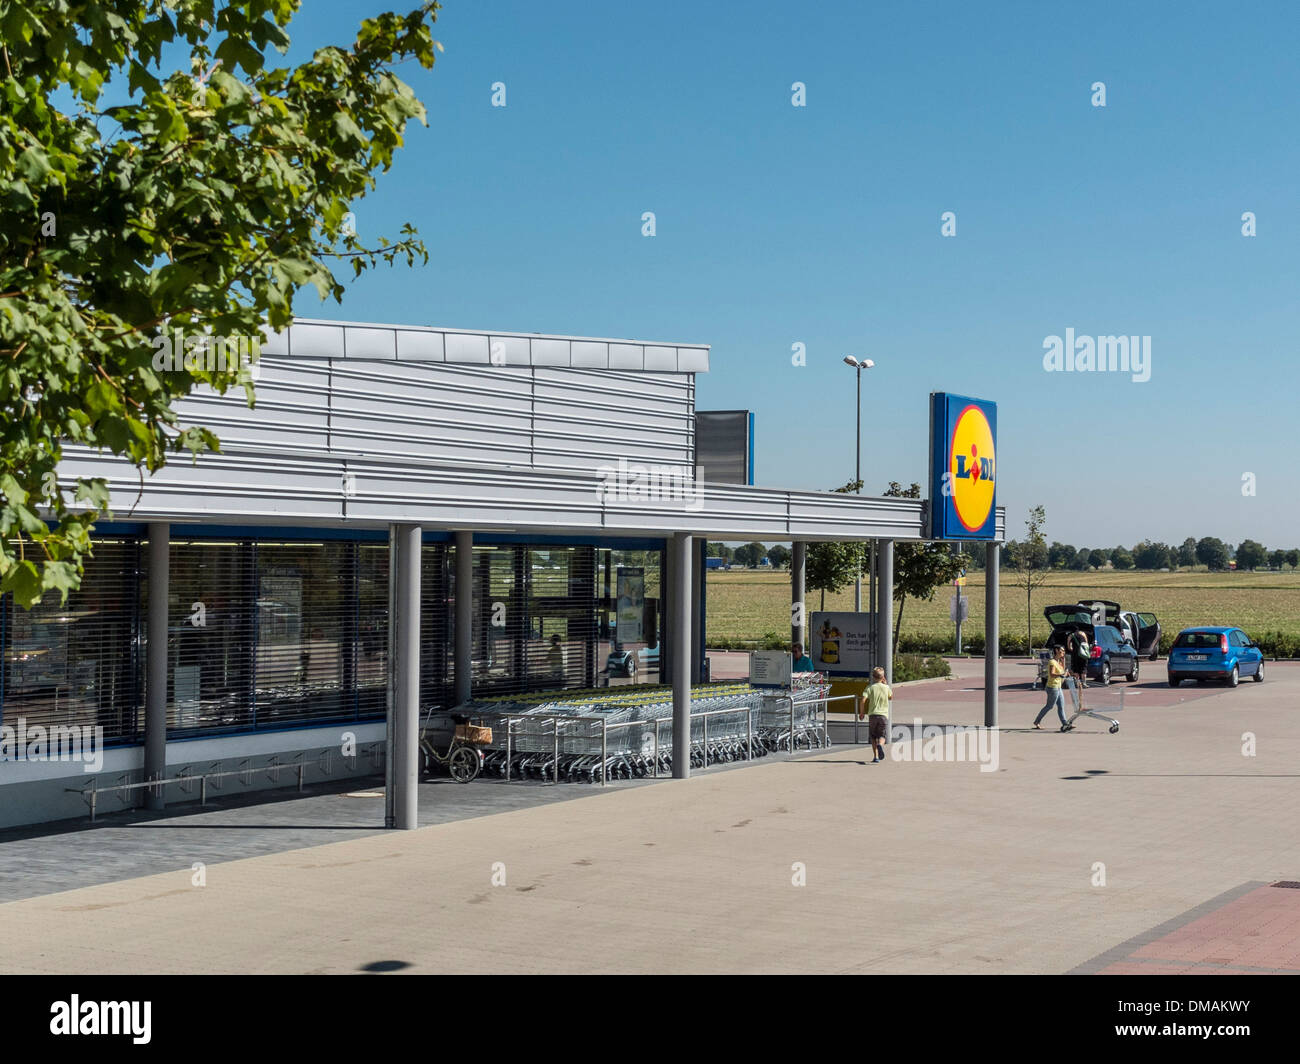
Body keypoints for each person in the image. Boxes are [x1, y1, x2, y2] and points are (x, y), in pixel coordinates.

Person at [1034, 646, 1070, 730]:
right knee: (1049, 706)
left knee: (1061, 706)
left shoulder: (1058, 662)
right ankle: (1037, 721)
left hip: (1058, 687)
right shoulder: (1052, 662)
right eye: (1062, 651)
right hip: (1052, 687)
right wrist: (1061, 675)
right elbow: (1052, 673)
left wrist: (1064, 665)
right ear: (1057, 650)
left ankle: (1065, 724)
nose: (1063, 652)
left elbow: (1063, 672)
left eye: (1064, 651)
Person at [864, 666, 892, 764]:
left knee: (873, 736)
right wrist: (886, 684)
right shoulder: (886, 687)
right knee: (882, 736)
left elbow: (863, 700)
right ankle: (880, 744)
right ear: (883, 677)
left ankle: (876, 756)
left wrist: (862, 712)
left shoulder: (869, 687)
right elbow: (891, 697)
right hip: (883, 716)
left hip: (872, 715)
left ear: (873, 677)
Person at [1067, 629, 1090, 710]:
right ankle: (1084, 682)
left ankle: (1078, 683)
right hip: (1083, 654)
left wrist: (1073, 649)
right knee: (1083, 668)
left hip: (1075, 654)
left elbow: (1069, 646)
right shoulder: (1083, 633)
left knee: (1076, 669)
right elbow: (1086, 643)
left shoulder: (1071, 635)